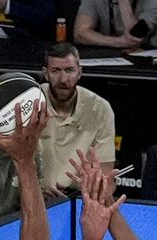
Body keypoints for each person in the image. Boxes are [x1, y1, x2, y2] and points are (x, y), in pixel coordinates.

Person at [37, 43, 117, 198]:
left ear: (79, 73)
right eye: (55, 71)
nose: (63, 79)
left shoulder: (100, 109)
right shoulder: (30, 103)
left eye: (69, 70)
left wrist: (90, 190)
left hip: (79, 196)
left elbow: (106, 176)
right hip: (31, 195)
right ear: (45, 74)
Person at [74, 0, 157, 49]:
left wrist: (123, 2)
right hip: (109, 56)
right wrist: (119, 42)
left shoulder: (154, 1)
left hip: (145, 61)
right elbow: (80, 34)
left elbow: (134, 37)